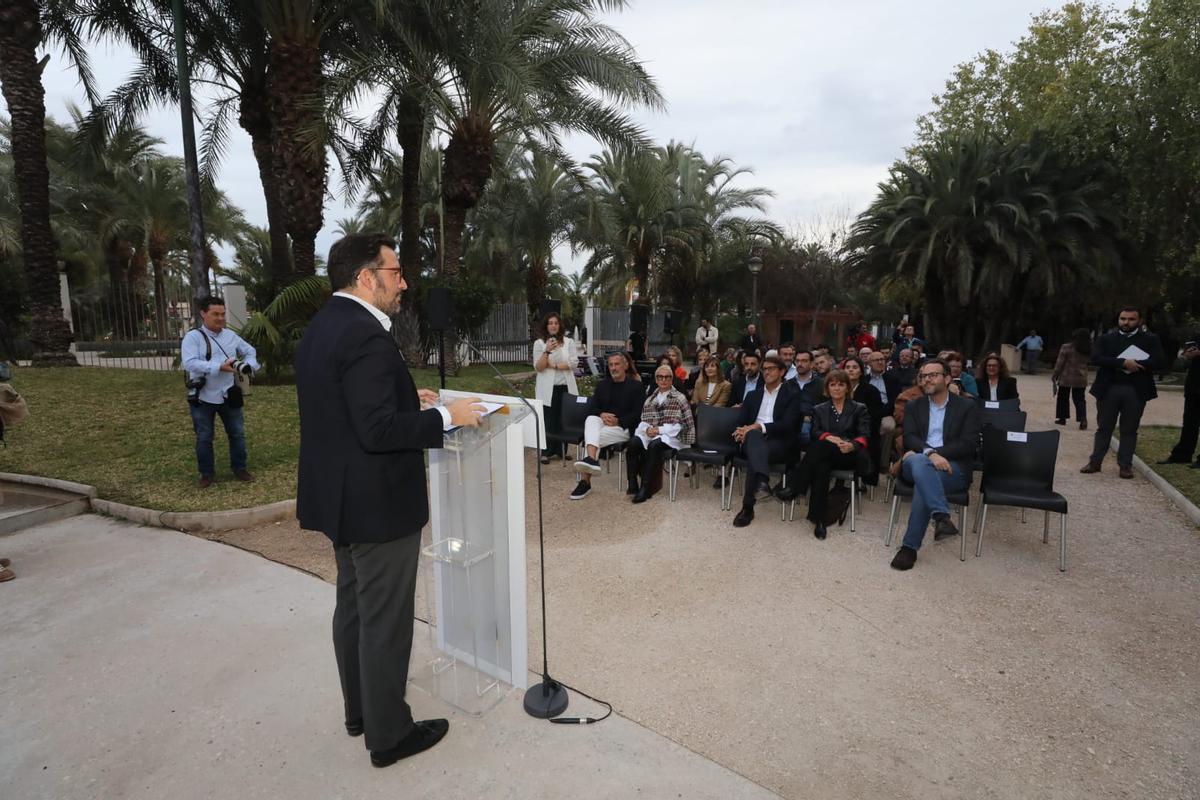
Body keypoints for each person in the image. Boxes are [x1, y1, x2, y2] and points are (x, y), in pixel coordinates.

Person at [295, 233, 485, 768]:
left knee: (353, 609)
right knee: (385, 621)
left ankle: (360, 711)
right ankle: (389, 734)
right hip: (377, 506)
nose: (404, 282)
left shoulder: (325, 326)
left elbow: (348, 405)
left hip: (340, 502)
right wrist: (449, 416)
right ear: (365, 277)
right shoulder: (366, 335)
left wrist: (408, 395)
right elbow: (377, 431)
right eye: (395, 272)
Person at [889, 359, 983, 571]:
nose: (926, 379)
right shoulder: (915, 406)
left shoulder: (967, 406)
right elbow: (910, 437)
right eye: (923, 376)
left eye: (933, 375)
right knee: (921, 463)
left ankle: (910, 547)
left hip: (953, 469)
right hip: (917, 463)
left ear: (948, 378)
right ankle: (941, 515)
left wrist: (936, 454)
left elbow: (969, 444)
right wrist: (930, 454)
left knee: (926, 484)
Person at [778, 369, 871, 538]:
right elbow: (815, 432)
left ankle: (796, 486)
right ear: (827, 388)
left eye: (841, 384)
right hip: (825, 454)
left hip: (849, 454)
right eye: (832, 384)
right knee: (821, 466)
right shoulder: (819, 409)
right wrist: (831, 438)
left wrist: (851, 445)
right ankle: (820, 520)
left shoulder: (859, 408)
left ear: (847, 388)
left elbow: (865, 434)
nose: (836, 388)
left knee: (820, 449)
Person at [182, 295, 260, 488]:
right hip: (203, 396)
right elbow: (189, 362)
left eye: (222, 314)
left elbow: (250, 351)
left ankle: (240, 468)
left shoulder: (231, 336)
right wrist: (219, 367)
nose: (220, 318)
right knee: (204, 436)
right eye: (215, 314)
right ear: (203, 314)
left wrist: (248, 365)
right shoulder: (193, 337)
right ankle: (206, 474)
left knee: (237, 433)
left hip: (228, 393)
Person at [1082, 307, 1166, 479]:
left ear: (1139, 321)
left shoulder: (1150, 339)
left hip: (1136, 389)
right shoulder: (1106, 338)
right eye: (1123, 318)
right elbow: (1096, 358)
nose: (1126, 322)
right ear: (1118, 319)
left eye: (1131, 319)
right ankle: (1095, 462)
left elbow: (1158, 361)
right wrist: (1122, 363)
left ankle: (1125, 465)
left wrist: (1137, 364)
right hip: (1109, 388)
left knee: (1129, 429)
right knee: (1104, 427)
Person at [731, 355, 804, 528]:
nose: (767, 372)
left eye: (771, 368)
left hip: (779, 443)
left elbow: (787, 426)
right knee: (755, 441)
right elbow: (741, 422)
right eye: (765, 369)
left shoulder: (792, 395)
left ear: (782, 372)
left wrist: (758, 427)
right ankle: (762, 481)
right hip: (751, 438)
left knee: (755, 456)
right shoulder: (753, 395)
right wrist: (742, 431)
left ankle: (747, 508)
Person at [571, 351, 644, 499]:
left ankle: (585, 481)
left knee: (592, 438)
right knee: (591, 419)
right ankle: (591, 460)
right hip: (602, 424)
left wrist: (619, 421)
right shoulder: (602, 385)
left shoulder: (636, 387)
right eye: (610, 365)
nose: (613, 368)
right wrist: (601, 414)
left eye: (617, 364)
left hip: (622, 428)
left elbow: (639, 414)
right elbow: (592, 409)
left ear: (626, 366)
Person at [626, 365, 696, 502]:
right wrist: (647, 430)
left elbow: (679, 426)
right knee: (633, 442)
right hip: (653, 433)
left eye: (667, 377)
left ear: (672, 379)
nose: (663, 380)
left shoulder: (679, 398)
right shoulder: (650, 399)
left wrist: (658, 430)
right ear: (656, 380)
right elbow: (644, 421)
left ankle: (646, 488)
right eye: (660, 377)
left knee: (654, 446)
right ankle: (632, 483)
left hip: (674, 437)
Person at [533, 312, 578, 464]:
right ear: (546, 326)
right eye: (550, 323)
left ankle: (562, 451)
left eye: (556, 323)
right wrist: (546, 351)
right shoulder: (539, 343)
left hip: (565, 386)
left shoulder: (568, 342)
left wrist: (555, 366)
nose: (553, 325)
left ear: (560, 326)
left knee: (563, 419)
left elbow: (573, 363)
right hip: (548, 388)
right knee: (549, 419)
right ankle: (546, 452)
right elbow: (539, 367)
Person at [1160, 333, 1200, 468]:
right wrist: (1188, 354)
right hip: (1194, 385)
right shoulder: (1197, 335)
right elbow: (1185, 354)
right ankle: (1182, 455)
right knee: (1189, 422)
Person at [843, 356, 882, 483]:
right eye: (847, 367)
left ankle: (861, 478)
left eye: (854, 367)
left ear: (861, 371)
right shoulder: (838, 389)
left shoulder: (871, 391)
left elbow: (874, 418)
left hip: (863, 431)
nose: (850, 370)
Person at [1052, 329, 1090, 429]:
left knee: (1063, 398)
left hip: (1066, 377)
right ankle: (1083, 419)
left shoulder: (1067, 347)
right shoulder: (1087, 348)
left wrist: (1055, 374)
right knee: (1080, 399)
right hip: (1081, 377)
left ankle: (1062, 418)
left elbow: (1060, 363)